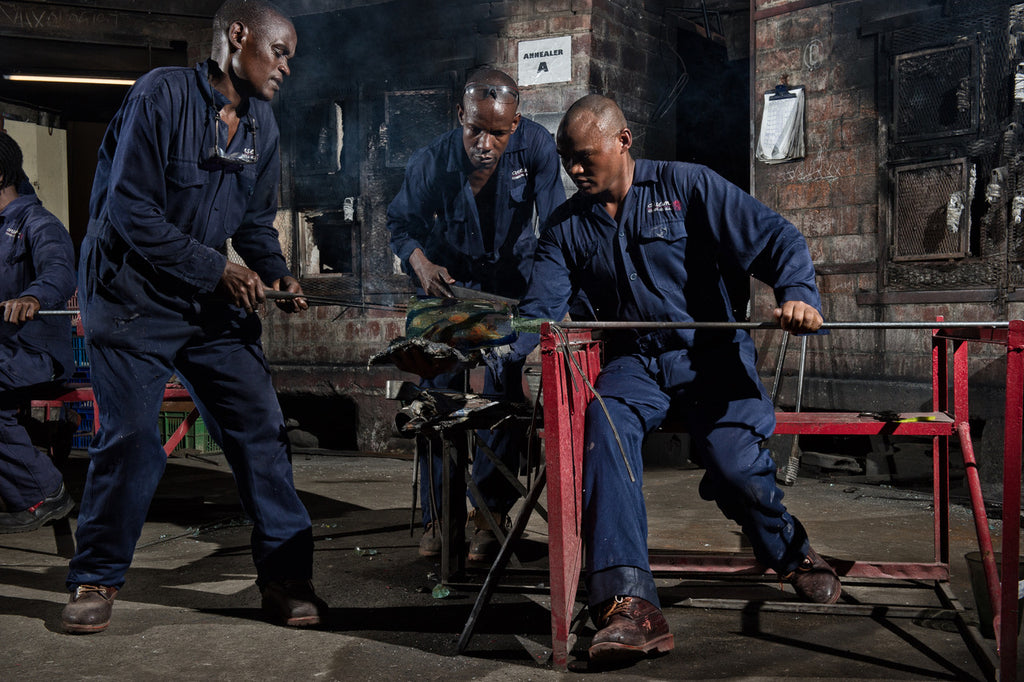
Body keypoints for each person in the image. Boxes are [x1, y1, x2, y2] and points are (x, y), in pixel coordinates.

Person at [510, 95, 840, 665]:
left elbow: (777, 239)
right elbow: (537, 315)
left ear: (624, 141)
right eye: (567, 160)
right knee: (603, 423)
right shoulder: (565, 229)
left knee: (736, 463)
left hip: (709, 356)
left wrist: (797, 295)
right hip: (634, 363)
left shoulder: (687, 187)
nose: (574, 170)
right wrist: (512, 358)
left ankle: (791, 553)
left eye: (585, 156)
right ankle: (629, 605)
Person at [62, 0, 326, 634]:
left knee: (261, 429)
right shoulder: (161, 96)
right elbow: (130, 213)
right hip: (130, 299)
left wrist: (276, 271)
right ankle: (95, 578)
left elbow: (254, 224)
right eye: (280, 51)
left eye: (292, 56)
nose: (287, 66)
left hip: (203, 303)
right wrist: (220, 271)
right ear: (237, 36)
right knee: (130, 439)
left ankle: (285, 579)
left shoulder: (262, 123)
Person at [387, 68, 565, 561]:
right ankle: (442, 519)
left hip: (514, 290)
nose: (485, 143)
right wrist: (419, 263)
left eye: (498, 133)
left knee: (506, 391)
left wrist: (543, 305)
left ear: (517, 124)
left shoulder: (537, 149)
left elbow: (554, 231)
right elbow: (401, 225)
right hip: (449, 290)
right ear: (458, 116)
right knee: (436, 398)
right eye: (474, 130)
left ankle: (488, 514)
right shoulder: (431, 161)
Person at [0, 131, 77, 533]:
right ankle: (36, 491)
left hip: (35, 354)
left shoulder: (38, 223)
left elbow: (60, 271)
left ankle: (45, 490)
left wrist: (32, 296)